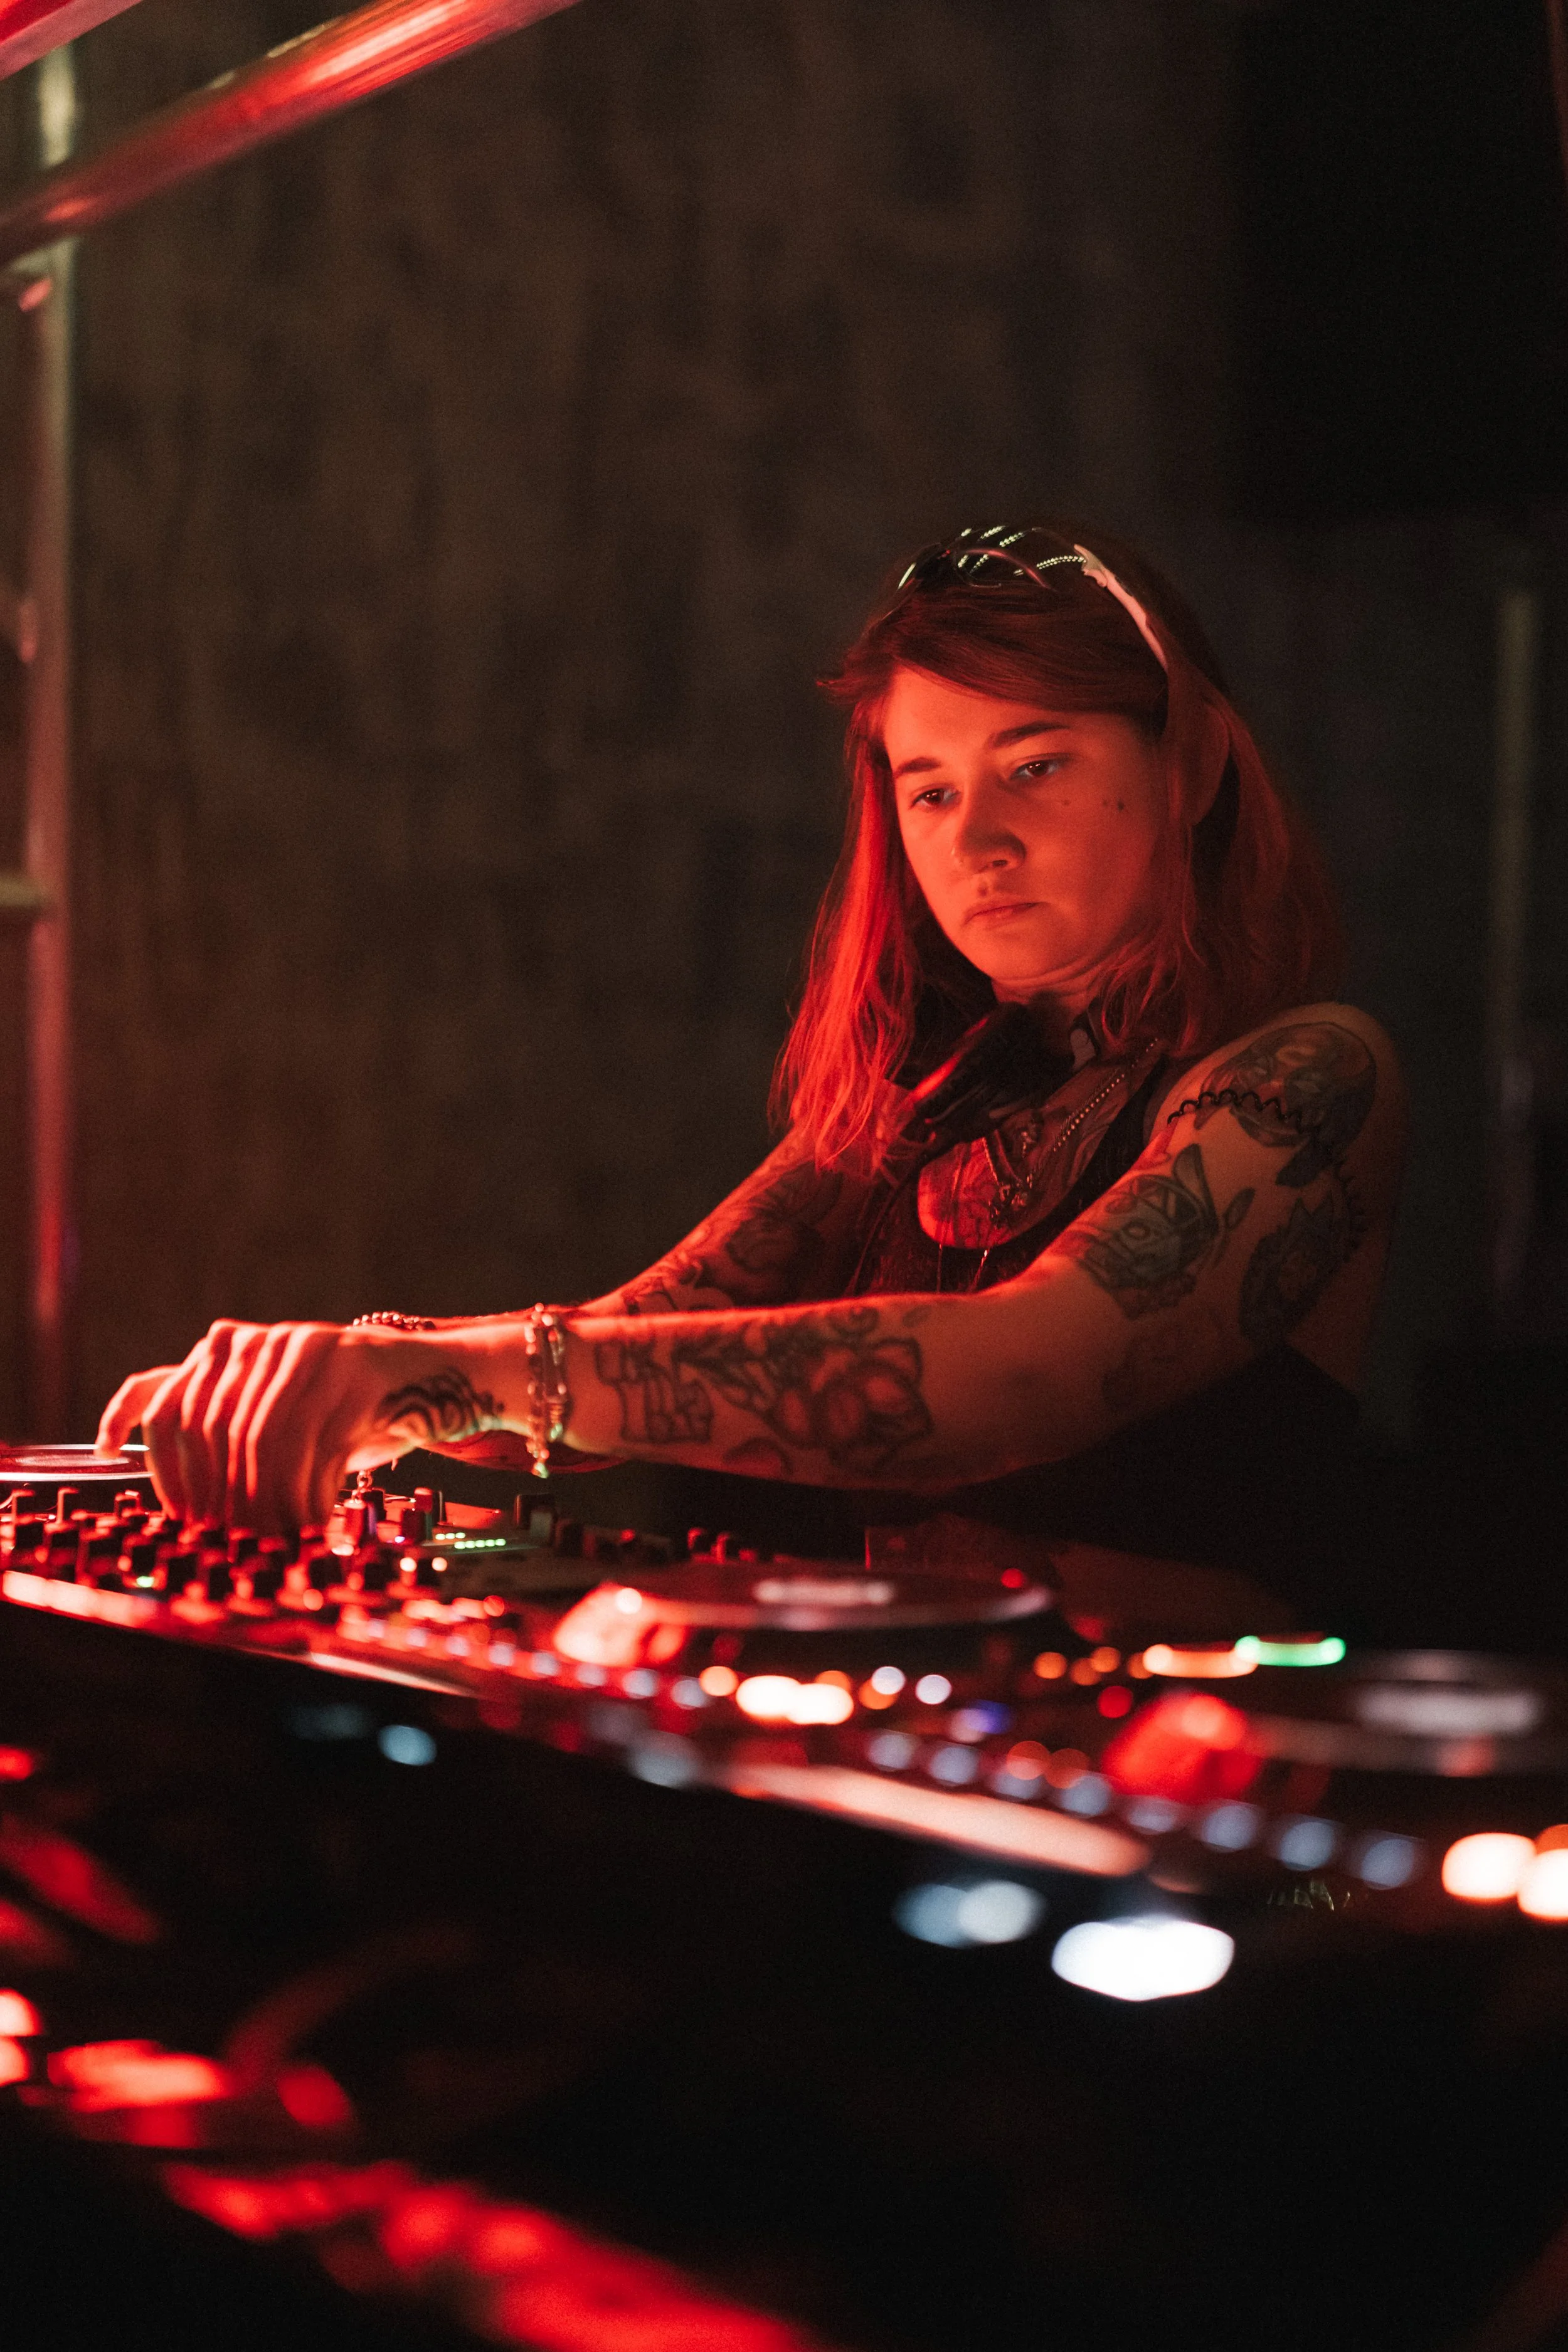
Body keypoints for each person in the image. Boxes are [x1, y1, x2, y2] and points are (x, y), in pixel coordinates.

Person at [99, 522, 1406, 1616]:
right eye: (929, 790)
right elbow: (637, 1335)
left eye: (1036, 766)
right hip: (883, 1779)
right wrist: (336, 1378)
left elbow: (1019, 1370)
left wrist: (450, 1381)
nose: (978, 840)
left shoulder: (1308, 1073)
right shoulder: (920, 1103)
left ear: (1191, 767)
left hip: (1184, 1805)